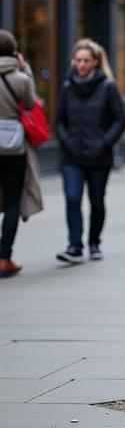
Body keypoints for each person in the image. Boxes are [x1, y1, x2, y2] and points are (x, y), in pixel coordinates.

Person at [55, 39, 125, 264]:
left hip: (99, 157)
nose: (82, 65)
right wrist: (66, 140)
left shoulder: (107, 87)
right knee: (73, 198)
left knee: (96, 201)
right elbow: (58, 121)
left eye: (86, 60)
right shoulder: (68, 87)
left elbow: (121, 118)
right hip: (72, 157)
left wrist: (105, 142)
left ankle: (94, 242)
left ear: (95, 62)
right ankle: (74, 246)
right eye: (78, 60)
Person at [0, 30, 43, 278]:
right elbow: (30, 105)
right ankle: (4, 258)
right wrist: (25, 70)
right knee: (13, 200)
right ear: (14, 52)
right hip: (12, 146)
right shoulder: (19, 78)